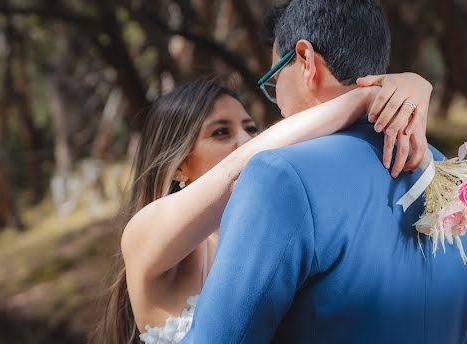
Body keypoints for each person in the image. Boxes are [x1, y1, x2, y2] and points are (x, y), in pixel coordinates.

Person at [182, 0, 467, 344]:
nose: (277, 103)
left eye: (275, 82)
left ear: (306, 60)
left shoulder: (281, 177)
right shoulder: (466, 187)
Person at [94, 69, 434, 343]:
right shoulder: (141, 233)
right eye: (221, 133)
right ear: (180, 164)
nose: (246, 141)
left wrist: (410, 86)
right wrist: (363, 98)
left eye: (251, 128)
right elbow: (238, 169)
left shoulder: (267, 232)